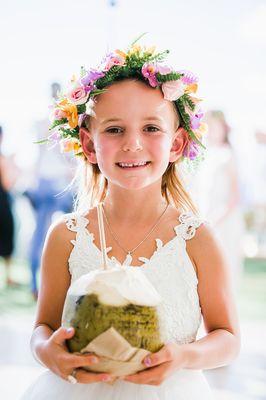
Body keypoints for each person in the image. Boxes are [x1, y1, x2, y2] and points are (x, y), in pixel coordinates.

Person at [21, 42, 240, 400]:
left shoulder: (196, 238)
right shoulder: (66, 236)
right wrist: (46, 351)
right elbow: (42, 327)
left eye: (152, 128)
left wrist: (184, 355)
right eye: (114, 130)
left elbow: (228, 339)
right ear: (89, 145)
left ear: (176, 143)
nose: (133, 144)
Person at [25, 82, 74, 300]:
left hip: (49, 181)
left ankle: (38, 285)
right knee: (69, 233)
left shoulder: (44, 121)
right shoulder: (62, 120)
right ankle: (42, 285)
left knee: (44, 235)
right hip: (57, 181)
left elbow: (38, 155)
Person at [195, 110, 245, 288]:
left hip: (225, 216)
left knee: (226, 260)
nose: (212, 131)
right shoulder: (207, 154)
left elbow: (235, 194)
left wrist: (218, 217)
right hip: (208, 213)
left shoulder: (228, 154)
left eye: (216, 127)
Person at [0, 125, 19, 287]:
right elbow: (7, 183)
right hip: (2, 204)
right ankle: (8, 276)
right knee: (6, 236)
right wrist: (12, 164)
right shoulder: (3, 158)